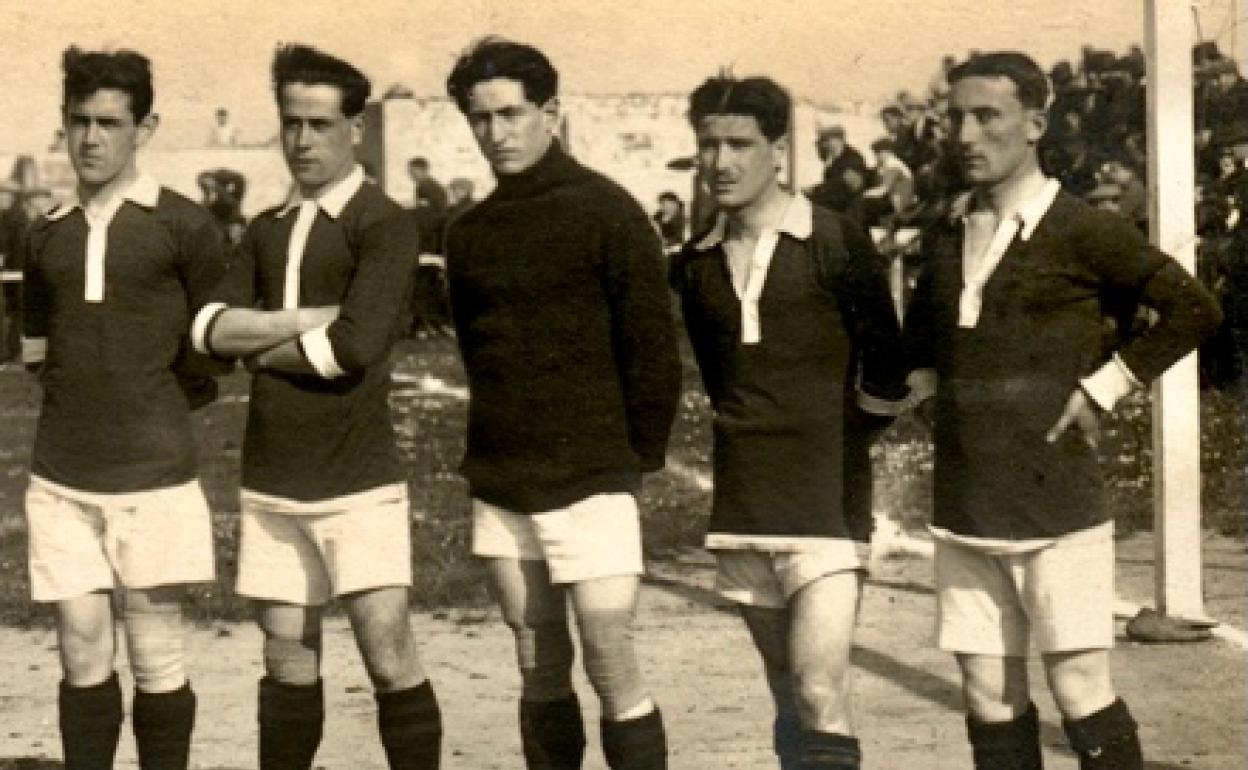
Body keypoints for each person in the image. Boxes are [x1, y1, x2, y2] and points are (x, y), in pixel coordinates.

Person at [902, 52, 1222, 770]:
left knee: (1079, 685)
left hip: (1057, 506)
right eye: (956, 116)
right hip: (966, 505)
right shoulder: (951, 229)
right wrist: (924, 386)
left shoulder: (1082, 228)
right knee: (986, 692)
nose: (965, 133)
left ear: (1035, 125)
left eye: (987, 116)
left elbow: (1194, 309)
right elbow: (922, 331)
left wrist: (1103, 387)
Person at [190, 44, 439, 770]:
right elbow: (207, 330)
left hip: (356, 477)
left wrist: (255, 338)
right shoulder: (266, 227)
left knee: (388, 654)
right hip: (273, 474)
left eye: (320, 125)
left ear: (355, 129)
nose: (302, 140)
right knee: (287, 658)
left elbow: (353, 349)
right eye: (291, 123)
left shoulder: (383, 222)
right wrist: (303, 321)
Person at [444, 37, 682, 770]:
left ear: (551, 112)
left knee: (610, 661)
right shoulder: (469, 232)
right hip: (504, 479)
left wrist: (630, 458)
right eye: (481, 119)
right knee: (537, 661)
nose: (497, 133)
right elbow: (477, 355)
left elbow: (653, 350)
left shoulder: (607, 211)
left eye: (512, 114)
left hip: (593, 478)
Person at [670, 74, 908, 770]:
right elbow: (724, 383)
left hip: (828, 507)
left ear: (778, 150)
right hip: (744, 504)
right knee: (786, 696)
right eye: (709, 144)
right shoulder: (696, 264)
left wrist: (842, 441)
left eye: (739, 143)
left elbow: (887, 370)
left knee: (818, 687)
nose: (721, 161)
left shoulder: (834, 241)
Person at [21, 46, 230, 770]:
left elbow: (213, 346)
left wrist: (156, 406)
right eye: (78, 121)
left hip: (155, 479)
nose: (91, 138)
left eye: (110, 123)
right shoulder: (45, 228)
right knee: (81, 647)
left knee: (155, 651)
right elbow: (38, 348)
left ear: (145, 128)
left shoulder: (184, 225)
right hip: (61, 478)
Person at [653, 190, 686, 254]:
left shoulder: (679, 217)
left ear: (674, 204)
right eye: (661, 204)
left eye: (665, 204)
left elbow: (677, 238)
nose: (663, 207)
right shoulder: (658, 215)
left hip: (674, 247)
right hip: (658, 243)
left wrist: (665, 242)